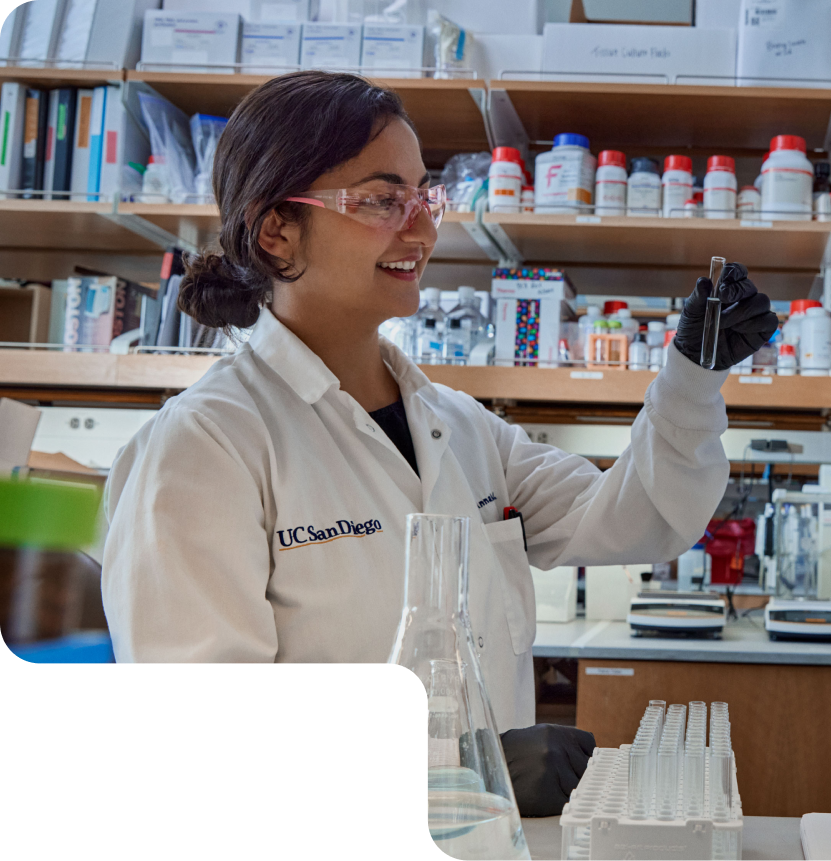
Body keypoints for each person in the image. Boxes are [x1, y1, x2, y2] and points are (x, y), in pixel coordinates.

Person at [101, 72, 777, 813]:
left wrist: (691, 378)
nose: (421, 229)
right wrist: (456, 776)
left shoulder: (459, 425)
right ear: (276, 229)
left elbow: (641, 517)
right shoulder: (206, 445)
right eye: (383, 199)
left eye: (425, 196)